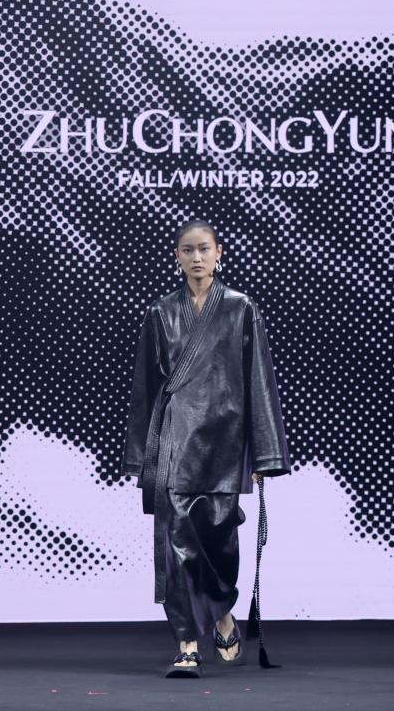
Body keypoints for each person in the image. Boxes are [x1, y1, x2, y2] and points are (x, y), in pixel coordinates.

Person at [121, 219, 291, 678]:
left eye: (203, 249)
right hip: (174, 440)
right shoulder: (160, 311)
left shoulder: (240, 308)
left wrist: (264, 454)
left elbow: (259, 380)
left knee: (218, 542)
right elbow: (145, 387)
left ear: (219, 253)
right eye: (187, 250)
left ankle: (222, 614)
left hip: (224, 441)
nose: (196, 257)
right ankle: (187, 644)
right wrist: (139, 456)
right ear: (176, 256)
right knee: (175, 547)